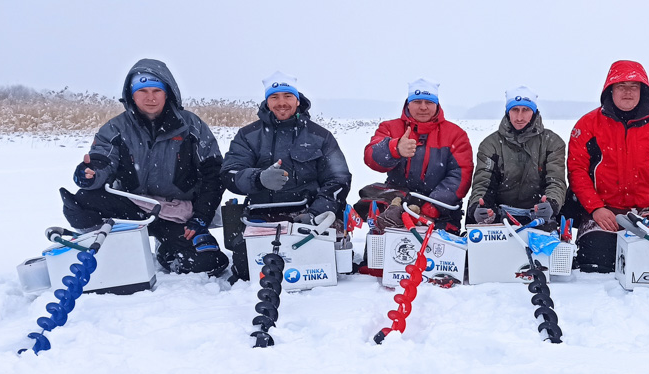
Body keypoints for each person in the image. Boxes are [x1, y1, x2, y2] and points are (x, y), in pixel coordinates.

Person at [60, 58, 228, 275]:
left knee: (210, 264)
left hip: (179, 213)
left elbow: (213, 174)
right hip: (133, 208)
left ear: (167, 93)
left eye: (156, 90)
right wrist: (90, 175)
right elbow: (101, 161)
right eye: (143, 91)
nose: (150, 97)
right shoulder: (115, 128)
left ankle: (167, 245)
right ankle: (114, 251)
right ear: (132, 94)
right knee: (81, 202)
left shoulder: (192, 126)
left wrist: (201, 217)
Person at [219, 72, 352, 280]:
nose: (282, 103)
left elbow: (339, 178)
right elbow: (230, 173)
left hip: (309, 216)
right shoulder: (247, 136)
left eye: (287, 96)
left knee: (324, 264)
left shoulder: (321, 136)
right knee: (247, 270)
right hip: (262, 217)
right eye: (275, 97)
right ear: (267, 101)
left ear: (297, 100)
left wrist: (317, 212)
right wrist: (258, 178)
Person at [566, 60, 649, 272]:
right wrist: (595, 208)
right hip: (604, 212)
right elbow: (577, 171)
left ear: (643, 91)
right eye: (621, 86)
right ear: (610, 90)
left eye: (634, 87)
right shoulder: (587, 125)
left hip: (647, 212)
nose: (627, 92)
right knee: (595, 259)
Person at [360, 78, 473, 233]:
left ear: (437, 104)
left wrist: (430, 209)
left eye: (429, 102)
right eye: (417, 101)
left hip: (440, 215)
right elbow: (371, 157)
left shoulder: (456, 135)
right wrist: (395, 148)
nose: (423, 107)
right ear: (408, 103)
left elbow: (460, 176)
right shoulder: (389, 128)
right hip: (394, 208)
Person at [466, 86, 567, 231]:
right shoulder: (490, 144)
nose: (519, 117)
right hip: (499, 213)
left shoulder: (552, 143)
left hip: (539, 213)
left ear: (534, 111)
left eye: (525, 110)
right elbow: (483, 183)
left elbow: (556, 181)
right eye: (515, 110)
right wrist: (478, 206)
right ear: (507, 112)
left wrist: (551, 203)